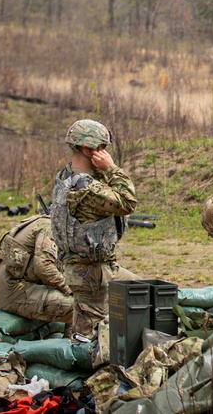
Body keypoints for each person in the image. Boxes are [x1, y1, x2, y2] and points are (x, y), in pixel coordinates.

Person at [50, 119, 137, 338]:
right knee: (89, 338)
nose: (106, 153)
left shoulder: (66, 178)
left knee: (140, 291)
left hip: (90, 268)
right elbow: (127, 202)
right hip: (91, 274)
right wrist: (112, 169)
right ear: (90, 149)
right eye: (102, 148)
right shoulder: (87, 188)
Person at [0, 214, 74, 324]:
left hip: (18, 288)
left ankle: (71, 338)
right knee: (81, 307)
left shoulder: (43, 222)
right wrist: (70, 290)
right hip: (16, 293)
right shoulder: (49, 227)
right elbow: (43, 267)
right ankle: (75, 340)